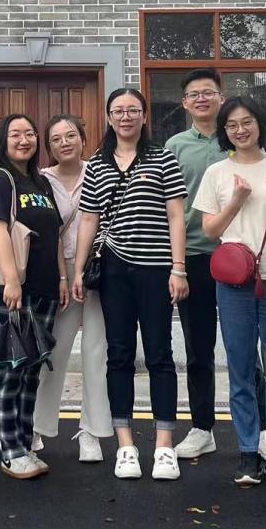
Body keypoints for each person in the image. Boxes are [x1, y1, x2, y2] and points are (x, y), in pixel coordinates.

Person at [193, 96, 266, 487]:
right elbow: (210, 230)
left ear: (259, 123)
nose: (240, 130)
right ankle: (248, 452)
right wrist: (236, 200)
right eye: (231, 125)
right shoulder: (217, 173)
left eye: (246, 122)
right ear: (224, 131)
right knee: (241, 368)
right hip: (233, 283)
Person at [72, 87, 188, 482]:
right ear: (109, 117)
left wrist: (178, 268)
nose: (125, 117)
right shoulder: (97, 165)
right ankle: (125, 445)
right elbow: (88, 219)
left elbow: (176, 215)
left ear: (143, 116)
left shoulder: (162, 158)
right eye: (118, 111)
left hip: (156, 268)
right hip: (114, 268)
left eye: (132, 110)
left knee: (160, 354)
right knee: (118, 354)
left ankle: (164, 446)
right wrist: (78, 270)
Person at [0, 113, 65, 479]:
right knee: (10, 369)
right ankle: (9, 449)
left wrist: (61, 277)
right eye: (15, 134)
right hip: (12, 290)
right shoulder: (0, 179)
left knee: (31, 372)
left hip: (45, 288)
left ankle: (25, 442)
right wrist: (11, 279)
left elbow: (55, 233)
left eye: (30, 133)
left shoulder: (40, 182)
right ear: (3, 140)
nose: (24, 140)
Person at [33, 114, 112, 463]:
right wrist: (63, 277)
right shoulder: (41, 180)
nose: (64, 143)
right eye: (56, 139)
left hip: (97, 270)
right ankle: (37, 425)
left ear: (82, 138)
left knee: (96, 351)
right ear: (49, 146)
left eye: (70, 136)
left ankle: (91, 431)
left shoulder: (100, 171)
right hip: (58, 273)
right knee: (53, 352)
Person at [163, 69, 228, 460]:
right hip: (193, 257)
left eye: (208, 92)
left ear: (221, 97)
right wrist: (176, 264)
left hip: (239, 257)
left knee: (246, 349)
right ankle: (203, 427)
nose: (202, 99)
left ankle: (262, 429)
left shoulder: (237, 138)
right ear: (185, 103)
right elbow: (167, 206)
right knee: (198, 349)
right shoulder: (175, 146)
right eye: (194, 94)